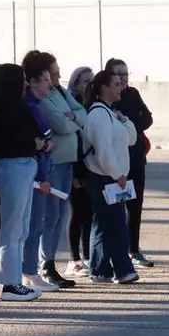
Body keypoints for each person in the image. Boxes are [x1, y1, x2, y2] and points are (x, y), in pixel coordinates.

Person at [0, 63, 49, 302]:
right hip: (12, 168)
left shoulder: (18, 107)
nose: (26, 84)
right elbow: (2, 145)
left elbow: (32, 135)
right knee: (11, 228)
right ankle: (9, 284)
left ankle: (15, 280)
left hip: (24, 167)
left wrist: (39, 143)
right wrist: (35, 144)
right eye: (22, 79)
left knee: (21, 227)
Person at [32, 51, 87, 288]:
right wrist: (72, 119)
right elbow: (61, 125)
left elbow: (83, 114)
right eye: (53, 74)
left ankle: (50, 260)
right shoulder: (42, 99)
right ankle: (45, 264)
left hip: (68, 162)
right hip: (52, 162)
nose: (57, 77)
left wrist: (72, 116)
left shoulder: (61, 92)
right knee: (49, 215)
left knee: (60, 214)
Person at [81, 70, 140, 285]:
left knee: (103, 224)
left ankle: (99, 270)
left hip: (113, 177)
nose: (121, 87)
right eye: (116, 84)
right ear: (104, 87)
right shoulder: (98, 114)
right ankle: (123, 269)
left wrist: (124, 120)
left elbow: (132, 139)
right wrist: (117, 175)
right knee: (115, 224)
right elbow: (103, 149)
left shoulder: (111, 113)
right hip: (104, 177)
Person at [105, 58, 155, 268]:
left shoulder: (132, 94)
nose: (124, 78)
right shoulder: (107, 97)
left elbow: (147, 119)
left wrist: (128, 122)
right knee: (113, 207)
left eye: (126, 74)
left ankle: (133, 249)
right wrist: (130, 122)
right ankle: (111, 251)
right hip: (115, 161)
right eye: (119, 74)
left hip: (135, 159)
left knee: (135, 207)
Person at [19, 55, 61, 291]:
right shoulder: (30, 107)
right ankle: (29, 272)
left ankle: (29, 270)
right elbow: (40, 146)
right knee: (32, 225)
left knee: (34, 224)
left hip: (38, 169)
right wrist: (43, 178)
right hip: (35, 174)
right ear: (33, 81)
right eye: (46, 79)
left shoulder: (35, 106)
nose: (51, 84)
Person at [65, 66, 94, 278]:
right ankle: (74, 259)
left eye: (92, 81)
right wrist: (75, 174)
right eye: (85, 81)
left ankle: (90, 257)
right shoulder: (72, 106)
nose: (89, 85)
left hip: (93, 166)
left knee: (90, 214)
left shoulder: (94, 105)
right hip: (76, 165)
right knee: (78, 212)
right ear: (75, 84)